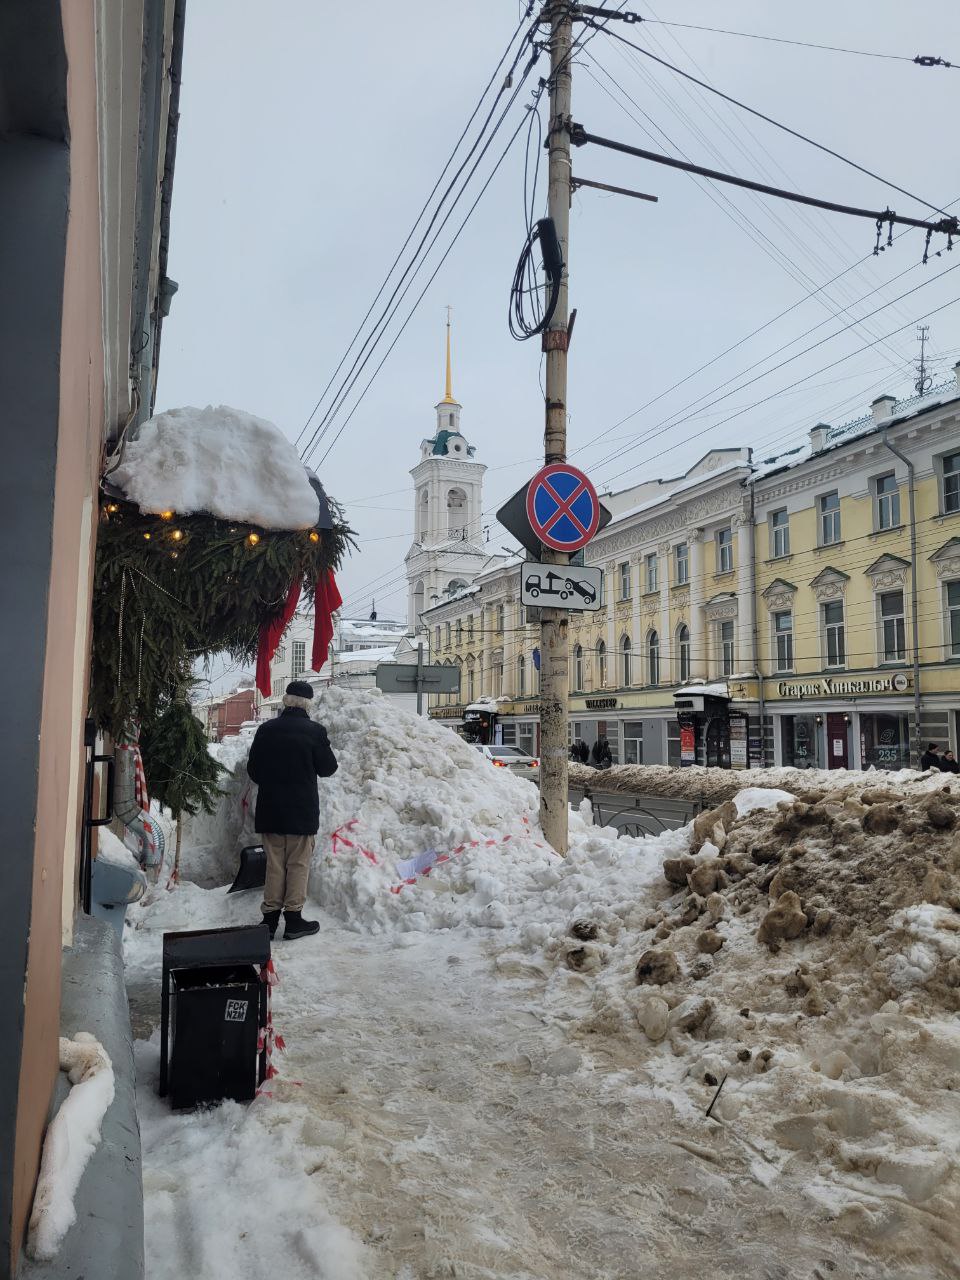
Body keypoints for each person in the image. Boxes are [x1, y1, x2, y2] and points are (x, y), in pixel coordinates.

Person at [246, 680, 338, 941]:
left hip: (270, 809)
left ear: (286, 700)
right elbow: (328, 768)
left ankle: (269, 921)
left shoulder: (266, 729)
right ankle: (294, 920)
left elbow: (254, 771)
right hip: (301, 812)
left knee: (274, 865)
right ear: (308, 703)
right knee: (298, 865)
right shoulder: (315, 732)